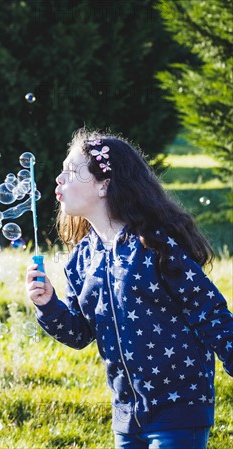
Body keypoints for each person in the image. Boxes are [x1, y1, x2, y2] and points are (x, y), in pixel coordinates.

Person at [26, 129, 232, 449]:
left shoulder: (155, 245)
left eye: (71, 171)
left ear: (104, 185)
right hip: (126, 417)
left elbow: (208, 310)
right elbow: (79, 334)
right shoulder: (81, 259)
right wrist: (48, 304)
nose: (59, 179)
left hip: (178, 410)